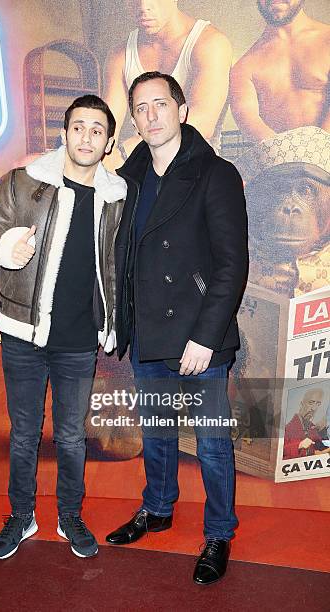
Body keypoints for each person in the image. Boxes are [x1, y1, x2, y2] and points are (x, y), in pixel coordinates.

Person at [0, 95, 127, 559]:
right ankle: (22, 515)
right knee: (23, 433)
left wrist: (114, 319)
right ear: (64, 133)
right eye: (78, 127)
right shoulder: (25, 183)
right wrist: (3, 246)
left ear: (108, 142)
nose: (86, 137)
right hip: (22, 331)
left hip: (79, 339)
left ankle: (69, 515)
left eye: (97, 130)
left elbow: (119, 266)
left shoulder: (117, 197)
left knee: (73, 436)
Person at [105, 71, 248, 585]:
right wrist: (116, 320)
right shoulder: (130, 175)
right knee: (158, 432)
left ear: (182, 109)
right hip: (148, 332)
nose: (150, 115)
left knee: (211, 443)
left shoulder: (217, 173)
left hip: (199, 337)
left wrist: (206, 338)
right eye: (139, 107)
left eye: (160, 104)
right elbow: (119, 254)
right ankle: (159, 508)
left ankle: (219, 533)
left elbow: (233, 265)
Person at [104, 0, 232, 166]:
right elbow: (105, 126)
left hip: (194, 168)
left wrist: (125, 152)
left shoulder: (210, 43)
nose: (143, 7)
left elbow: (202, 122)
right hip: (142, 170)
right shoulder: (119, 55)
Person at [230, 0, 330, 142]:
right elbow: (248, 120)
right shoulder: (243, 68)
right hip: (279, 160)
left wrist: (319, 150)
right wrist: (288, 157)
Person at [283, 388, 329, 459]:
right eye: (311, 403)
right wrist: (299, 445)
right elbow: (279, 452)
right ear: (301, 404)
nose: (314, 408)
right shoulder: (286, 428)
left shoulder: (313, 428)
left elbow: (321, 450)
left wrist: (323, 431)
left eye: (318, 404)